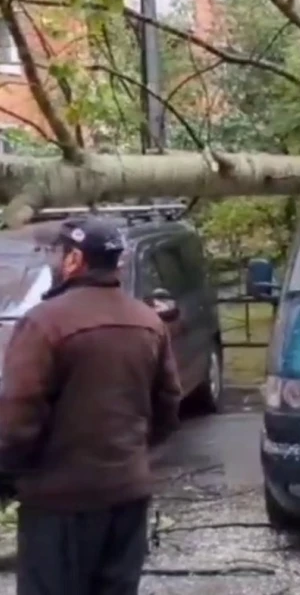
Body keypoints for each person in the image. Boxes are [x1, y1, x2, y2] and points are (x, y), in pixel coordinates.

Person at [0, 216, 182, 595]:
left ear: (75, 259)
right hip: (127, 495)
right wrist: (132, 455)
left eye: (57, 253)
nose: (53, 260)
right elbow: (168, 404)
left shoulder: (44, 323)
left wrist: (10, 476)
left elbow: (18, 417)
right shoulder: (148, 321)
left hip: (59, 503)